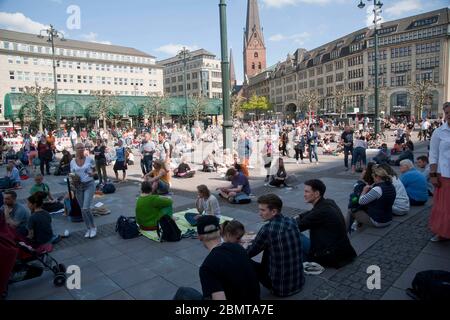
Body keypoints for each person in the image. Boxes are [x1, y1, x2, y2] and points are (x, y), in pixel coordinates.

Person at [173, 215, 260, 300]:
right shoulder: (238, 247)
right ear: (219, 232)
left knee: (183, 292)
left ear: (199, 237)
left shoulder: (207, 267)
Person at [247, 194, 304, 297]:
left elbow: (249, 253)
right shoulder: (292, 221)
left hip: (280, 288)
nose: (259, 213)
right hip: (298, 282)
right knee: (271, 247)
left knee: (241, 259)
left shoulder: (267, 229)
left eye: (263, 210)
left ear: (273, 211)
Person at [296, 179, 356, 268]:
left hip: (330, 255)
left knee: (296, 235)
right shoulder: (328, 202)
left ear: (316, 194)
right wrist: (298, 216)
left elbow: (295, 227)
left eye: (307, 192)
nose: (304, 195)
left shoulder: (320, 212)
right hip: (344, 251)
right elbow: (309, 213)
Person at [428, 102, 450, 242]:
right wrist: (433, 175)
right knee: (443, 206)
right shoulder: (439, 132)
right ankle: (442, 232)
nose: (449, 115)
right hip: (444, 175)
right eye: (447, 113)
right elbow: (433, 155)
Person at [70, 143, 97, 239]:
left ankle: (93, 227)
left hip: (89, 184)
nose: (81, 149)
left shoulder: (90, 159)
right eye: (78, 148)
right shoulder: (72, 162)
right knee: (82, 209)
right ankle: (88, 228)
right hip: (78, 187)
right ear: (75, 149)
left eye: (82, 148)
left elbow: (96, 171)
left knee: (86, 208)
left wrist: (92, 174)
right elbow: (72, 174)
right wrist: (72, 180)